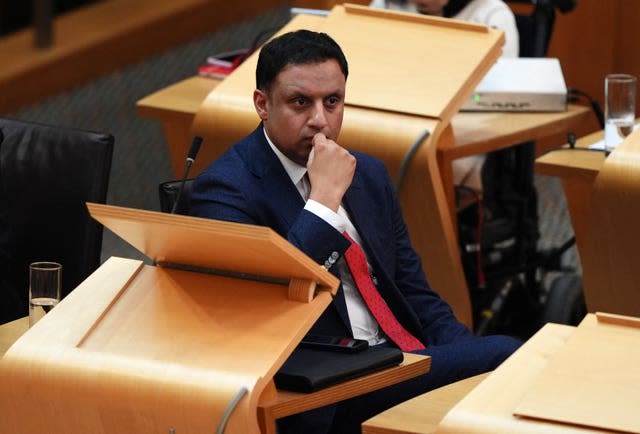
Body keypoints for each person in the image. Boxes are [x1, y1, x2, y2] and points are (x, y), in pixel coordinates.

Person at [189, 29, 521, 434]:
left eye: (332, 101)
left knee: (512, 368)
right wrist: (324, 201)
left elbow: (416, 296)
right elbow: (269, 309)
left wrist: (472, 361)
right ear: (262, 104)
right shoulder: (224, 190)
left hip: (398, 360)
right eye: (300, 102)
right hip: (323, 392)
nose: (320, 120)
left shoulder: (368, 174)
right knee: (507, 353)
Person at [370, 0, 519, 190]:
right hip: (389, 123)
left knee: (414, 168)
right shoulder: (386, 4)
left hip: (460, 133)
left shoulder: (492, 14)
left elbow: (496, 96)